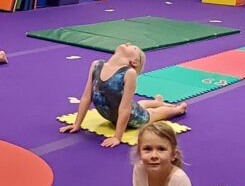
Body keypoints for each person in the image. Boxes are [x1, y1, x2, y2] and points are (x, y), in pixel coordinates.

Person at [58, 43, 187, 147]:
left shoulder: (128, 73)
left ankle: (177, 109)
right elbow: (87, 96)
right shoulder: (96, 65)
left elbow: (126, 108)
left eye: (134, 47)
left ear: (134, 62)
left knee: (152, 114)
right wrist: (77, 124)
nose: (128, 43)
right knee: (138, 105)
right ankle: (157, 102)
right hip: (116, 113)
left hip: (131, 117)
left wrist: (117, 137)